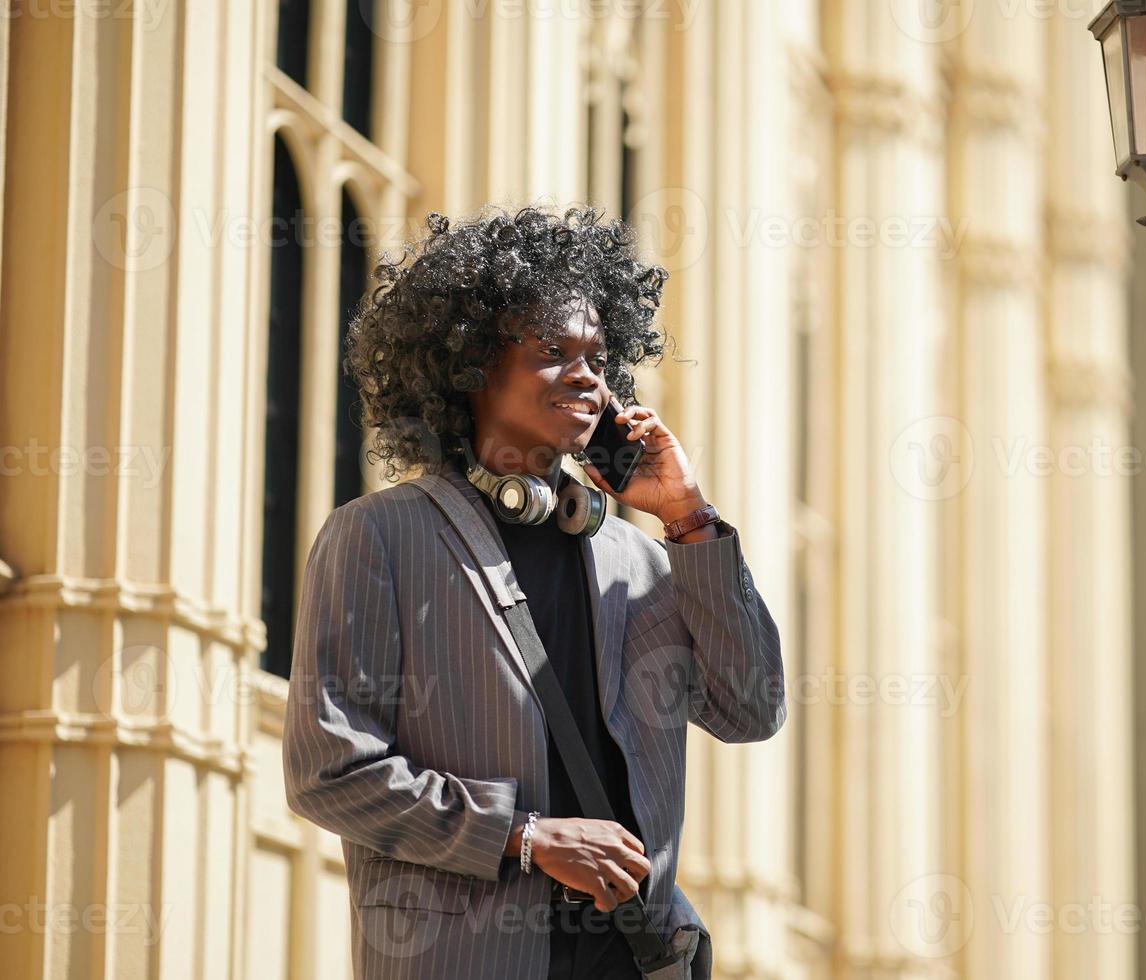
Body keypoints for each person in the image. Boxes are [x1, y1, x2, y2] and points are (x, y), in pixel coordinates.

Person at [282, 205, 786, 980]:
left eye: (599, 355)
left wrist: (688, 517)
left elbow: (751, 709)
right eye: (554, 351)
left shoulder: (647, 562)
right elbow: (330, 775)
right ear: (470, 366)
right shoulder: (377, 538)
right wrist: (523, 837)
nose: (588, 374)